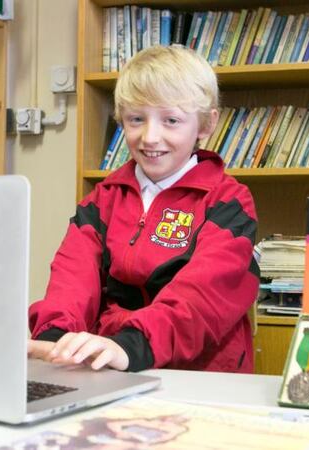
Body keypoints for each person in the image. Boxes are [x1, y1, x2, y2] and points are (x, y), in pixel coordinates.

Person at [27, 45, 259, 373]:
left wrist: (131, 346)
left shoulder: (228, 202)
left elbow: (203, 297)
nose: (150, 137)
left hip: (199, 374)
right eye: (136, 119)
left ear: (205, 125)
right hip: (114, 367)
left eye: (171, 120)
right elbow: (72, 277)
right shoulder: (101, 200)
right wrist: (55, 337)